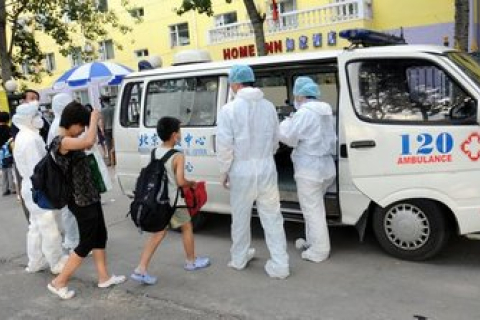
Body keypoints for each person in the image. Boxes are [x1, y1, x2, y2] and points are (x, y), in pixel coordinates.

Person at [216, 64, 290, 279]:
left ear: (236, 84)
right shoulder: (268, 107)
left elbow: (224, 145)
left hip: (241, 169)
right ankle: (280, 264)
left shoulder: (229, 109)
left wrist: (224, 171)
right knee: (273, 217)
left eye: (231, 83)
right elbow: (276, 139)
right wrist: (266, 156)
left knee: (240, 216)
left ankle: (239, 259)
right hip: (266, 167)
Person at [48, 102, 125, 300]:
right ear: (72, 123)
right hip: (79, 199)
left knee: (100, 235)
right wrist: (92, 120)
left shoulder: (70, 139)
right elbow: (89, 141)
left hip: (90, 196)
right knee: (87, 241)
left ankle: (104, 277)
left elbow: (87, 142)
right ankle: (59, 282)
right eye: (80, 125)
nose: (82, 130)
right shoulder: (61, 142)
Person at [131, 116, 210, 285]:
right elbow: (180, 181)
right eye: (179, 131)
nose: (181, 134)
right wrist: (192, 184)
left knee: (158, 233)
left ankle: (141, 268)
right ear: (174, 135)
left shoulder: (155, 152)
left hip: (158, 201)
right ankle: (191, 261)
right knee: (187, 226)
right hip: (174, 201)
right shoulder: (177, 155)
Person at [279, 77, 336, 263]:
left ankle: (319, 251)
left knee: (312, 211)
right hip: (326, 166)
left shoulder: (304, 113)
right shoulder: (326, 110)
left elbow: (289, 138)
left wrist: (285, 122)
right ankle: (311, 243)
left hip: (310, 169)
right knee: (314, 208)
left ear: (300, 95)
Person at [11, 102, 67, 274]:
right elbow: (40, 168)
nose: (39, 118)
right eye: (35, 115)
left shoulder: (23, 136)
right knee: (49, 226)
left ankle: (35, 261)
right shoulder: (31, 139)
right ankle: (55, 262)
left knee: (35, 226)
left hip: (30, 185)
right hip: (39, 186)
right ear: (28, 119)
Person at [47, 93, 79, 252]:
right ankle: (73, 241)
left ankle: (73, 239)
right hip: (64, 172)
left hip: (62, 172)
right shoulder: (59, 125)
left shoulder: (59, 122)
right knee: (70, 210)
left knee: (70, 210)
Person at [0, 112, 15, 196]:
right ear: (8, 119)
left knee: (3, 170)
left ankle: (5, 189)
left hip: (0, 154)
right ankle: (12, 188)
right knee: (10, 170)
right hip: (8, 153)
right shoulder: (9, 129)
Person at [100, 97, 115, 165]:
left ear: (103, 102)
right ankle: (115, 159)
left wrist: (102, 131)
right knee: (114, 145)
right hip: (114, 129)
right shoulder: (113, 108)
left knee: (109, 146)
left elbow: (102, 122)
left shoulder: (102, 110)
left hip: (107, 130)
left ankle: (110, 161)